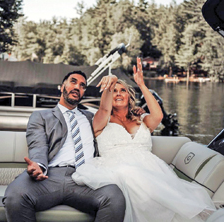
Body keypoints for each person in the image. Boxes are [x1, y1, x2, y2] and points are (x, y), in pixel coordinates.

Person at [72, 57, 216, 222]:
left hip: (152, 169)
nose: (118, 93)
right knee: (130, 173)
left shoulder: (141, 118)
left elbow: (158, 115)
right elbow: (105, 108)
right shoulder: (101, 121)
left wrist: (141, 84)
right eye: (114, 91)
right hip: (116, 168)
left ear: (129, 96)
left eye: (122, 90)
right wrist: (109, 85)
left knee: (146, 182)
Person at [3, 71, 126, 222]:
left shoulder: (91, 118)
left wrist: (113, 83)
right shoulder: (41, 116)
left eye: (82, 86)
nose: (77, 87)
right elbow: (38, 144)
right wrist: (39, 165)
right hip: (50, 177)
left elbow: (111, 112)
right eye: (73, 82)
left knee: (115, 197)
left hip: (86, 177)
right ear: (61, 87)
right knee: (15, 196)